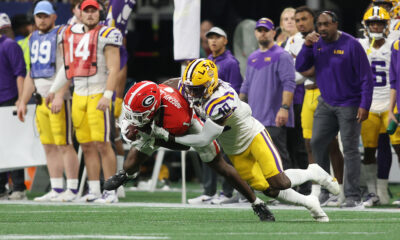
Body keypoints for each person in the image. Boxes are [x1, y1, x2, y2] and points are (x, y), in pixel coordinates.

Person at [152, 59, 340, 222]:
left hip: (252, 136)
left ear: (210, 84)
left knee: (280, 182)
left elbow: (204, 139)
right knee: (267, 190)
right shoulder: (191, 87)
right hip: (234, 148)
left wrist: (168, 136)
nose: (190, 93)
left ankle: (313, 171)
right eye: (189, 88)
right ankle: (310, 202)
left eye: (196, 89)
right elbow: (171, 85)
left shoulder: (221, 100)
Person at [105, 80, 275, 222]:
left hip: (188, 127)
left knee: (220, 166)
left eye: (138, 115)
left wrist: (158, 138)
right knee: (131, 163)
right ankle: (127, 175)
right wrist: (137, 128)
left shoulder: (177, 119)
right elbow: (172, 84)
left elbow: (184, 146)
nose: (133, 118)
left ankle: (256, 203)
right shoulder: (154, 95)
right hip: (156, 124)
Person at [296, 11, 374, 208]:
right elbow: (301, 66)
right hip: (327, 101)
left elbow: (366, 77)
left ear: (335, 24)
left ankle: (352, 196)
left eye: (325, 24)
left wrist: (364, 105)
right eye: (319, 25)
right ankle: (325, 191)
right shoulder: (317, 43)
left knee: (349, 149)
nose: (322, 28)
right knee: (317, 142)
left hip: (350, 103)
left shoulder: (352, 44)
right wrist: (306, 46)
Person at [47, 0, 122, 203]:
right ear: (79, 12)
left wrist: (108, 94)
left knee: (104, 143)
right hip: (79, 94)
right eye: (86, 11)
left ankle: (111, 190)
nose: (90, 14)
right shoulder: (70, 33)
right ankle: (94, 189)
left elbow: (114, 67)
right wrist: (54, 91)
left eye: (94, 11)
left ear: (100, 13)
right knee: (87, 145)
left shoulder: (107, 33)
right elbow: (68, 67)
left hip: (98, 92)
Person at [16, 0, 80, 202]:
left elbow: (68, 66)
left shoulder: (62, 34)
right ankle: (57, 188)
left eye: (45, 16)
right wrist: (23, 101)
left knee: (65, 143)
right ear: (34, 18)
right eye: (38, 16)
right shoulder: (33, 37)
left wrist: (61, 94)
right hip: (41, 99)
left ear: (54, 16)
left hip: (57, 97)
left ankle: (72, 187)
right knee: (48, 145)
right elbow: (31, 72)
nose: (42, 19)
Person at [294, 6, 345, 206]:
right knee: (309, 143)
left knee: (331, 143)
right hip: (307, 93)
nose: (300, 23)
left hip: (324, 91)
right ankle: (317, 190)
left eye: (304, 19)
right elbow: (298, 72)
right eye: (297, 20)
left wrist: (306, 69)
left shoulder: (326, 38)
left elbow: (319, 67)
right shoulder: (294, 41)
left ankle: (338, 187)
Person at [187, 26, 243, 205]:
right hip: (206, 115)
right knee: (207, 152)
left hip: (222, 115)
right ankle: (208, 191)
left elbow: (235, 89)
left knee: (226, 155)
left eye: (217, 37)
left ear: (225, 41)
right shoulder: (206, 61)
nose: (213, 41)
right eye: (210, 37)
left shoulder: (231, 62)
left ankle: (226, 192)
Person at [240, 18, 295, 171]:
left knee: (279, 157)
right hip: (255, 118)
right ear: (255, 33)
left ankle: (290, 192)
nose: (263, 33)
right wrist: (236, 109)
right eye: (260, 30)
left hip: (274, 117)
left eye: (266, 30)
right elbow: (246, 85)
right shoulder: (252, 57)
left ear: (273, 32)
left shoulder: (282, 55)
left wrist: (284, 108)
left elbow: (289, 83)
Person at [358, 6, 398, 207]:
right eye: (372, 23)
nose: (375, 26)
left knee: (395, 147)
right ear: (366, 25)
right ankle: (374, 193)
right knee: (369, 150)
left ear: (386, 25)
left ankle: (382, 191)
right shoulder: (359, 45)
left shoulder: (394, 45)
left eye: (379, 23)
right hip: (369, 105)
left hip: (390, 103)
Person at [0, 12, 27, 200]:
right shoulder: (10, 44)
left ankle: (18, 187)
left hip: (9, 99)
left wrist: (20, 99)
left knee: (14, 145)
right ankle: (1, 188)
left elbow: (20, 73)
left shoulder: (10, 46)